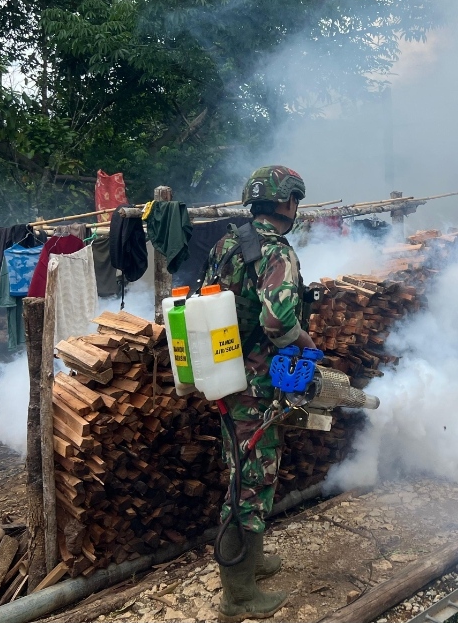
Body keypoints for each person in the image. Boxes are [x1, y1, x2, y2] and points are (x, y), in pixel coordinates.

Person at [201, 165, 317, 621]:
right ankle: (239, 595)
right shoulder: (277, 252)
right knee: (251, 481)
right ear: (287, 202)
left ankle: (253, 563)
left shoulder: (229, 242)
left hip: (226, 374)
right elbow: (277, 321)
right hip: (258, 383)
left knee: (245, 468)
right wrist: (305, 342)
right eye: (296, 202)